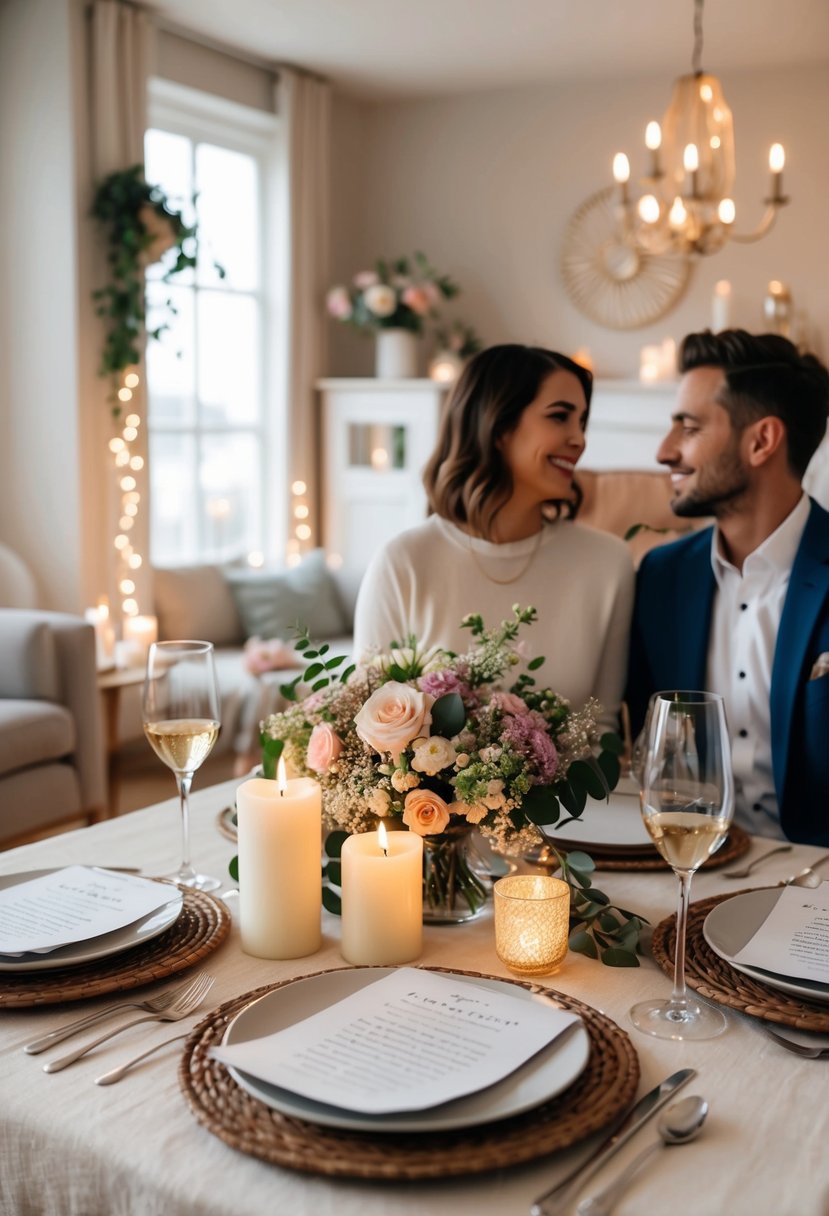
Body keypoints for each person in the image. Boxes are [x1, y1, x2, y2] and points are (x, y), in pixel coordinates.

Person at [353, 344, 635, 730]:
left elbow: (601, 726)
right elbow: (370, 727)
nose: (579, 439)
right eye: (559, 417)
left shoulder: (608, 563)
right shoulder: (403, 562)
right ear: (498, 425)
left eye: (581, 422)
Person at [626, 329, 829, 844]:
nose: (664, 452)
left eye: (689, 429)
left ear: (761, 440)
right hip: (688, 862)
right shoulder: (661, 577)